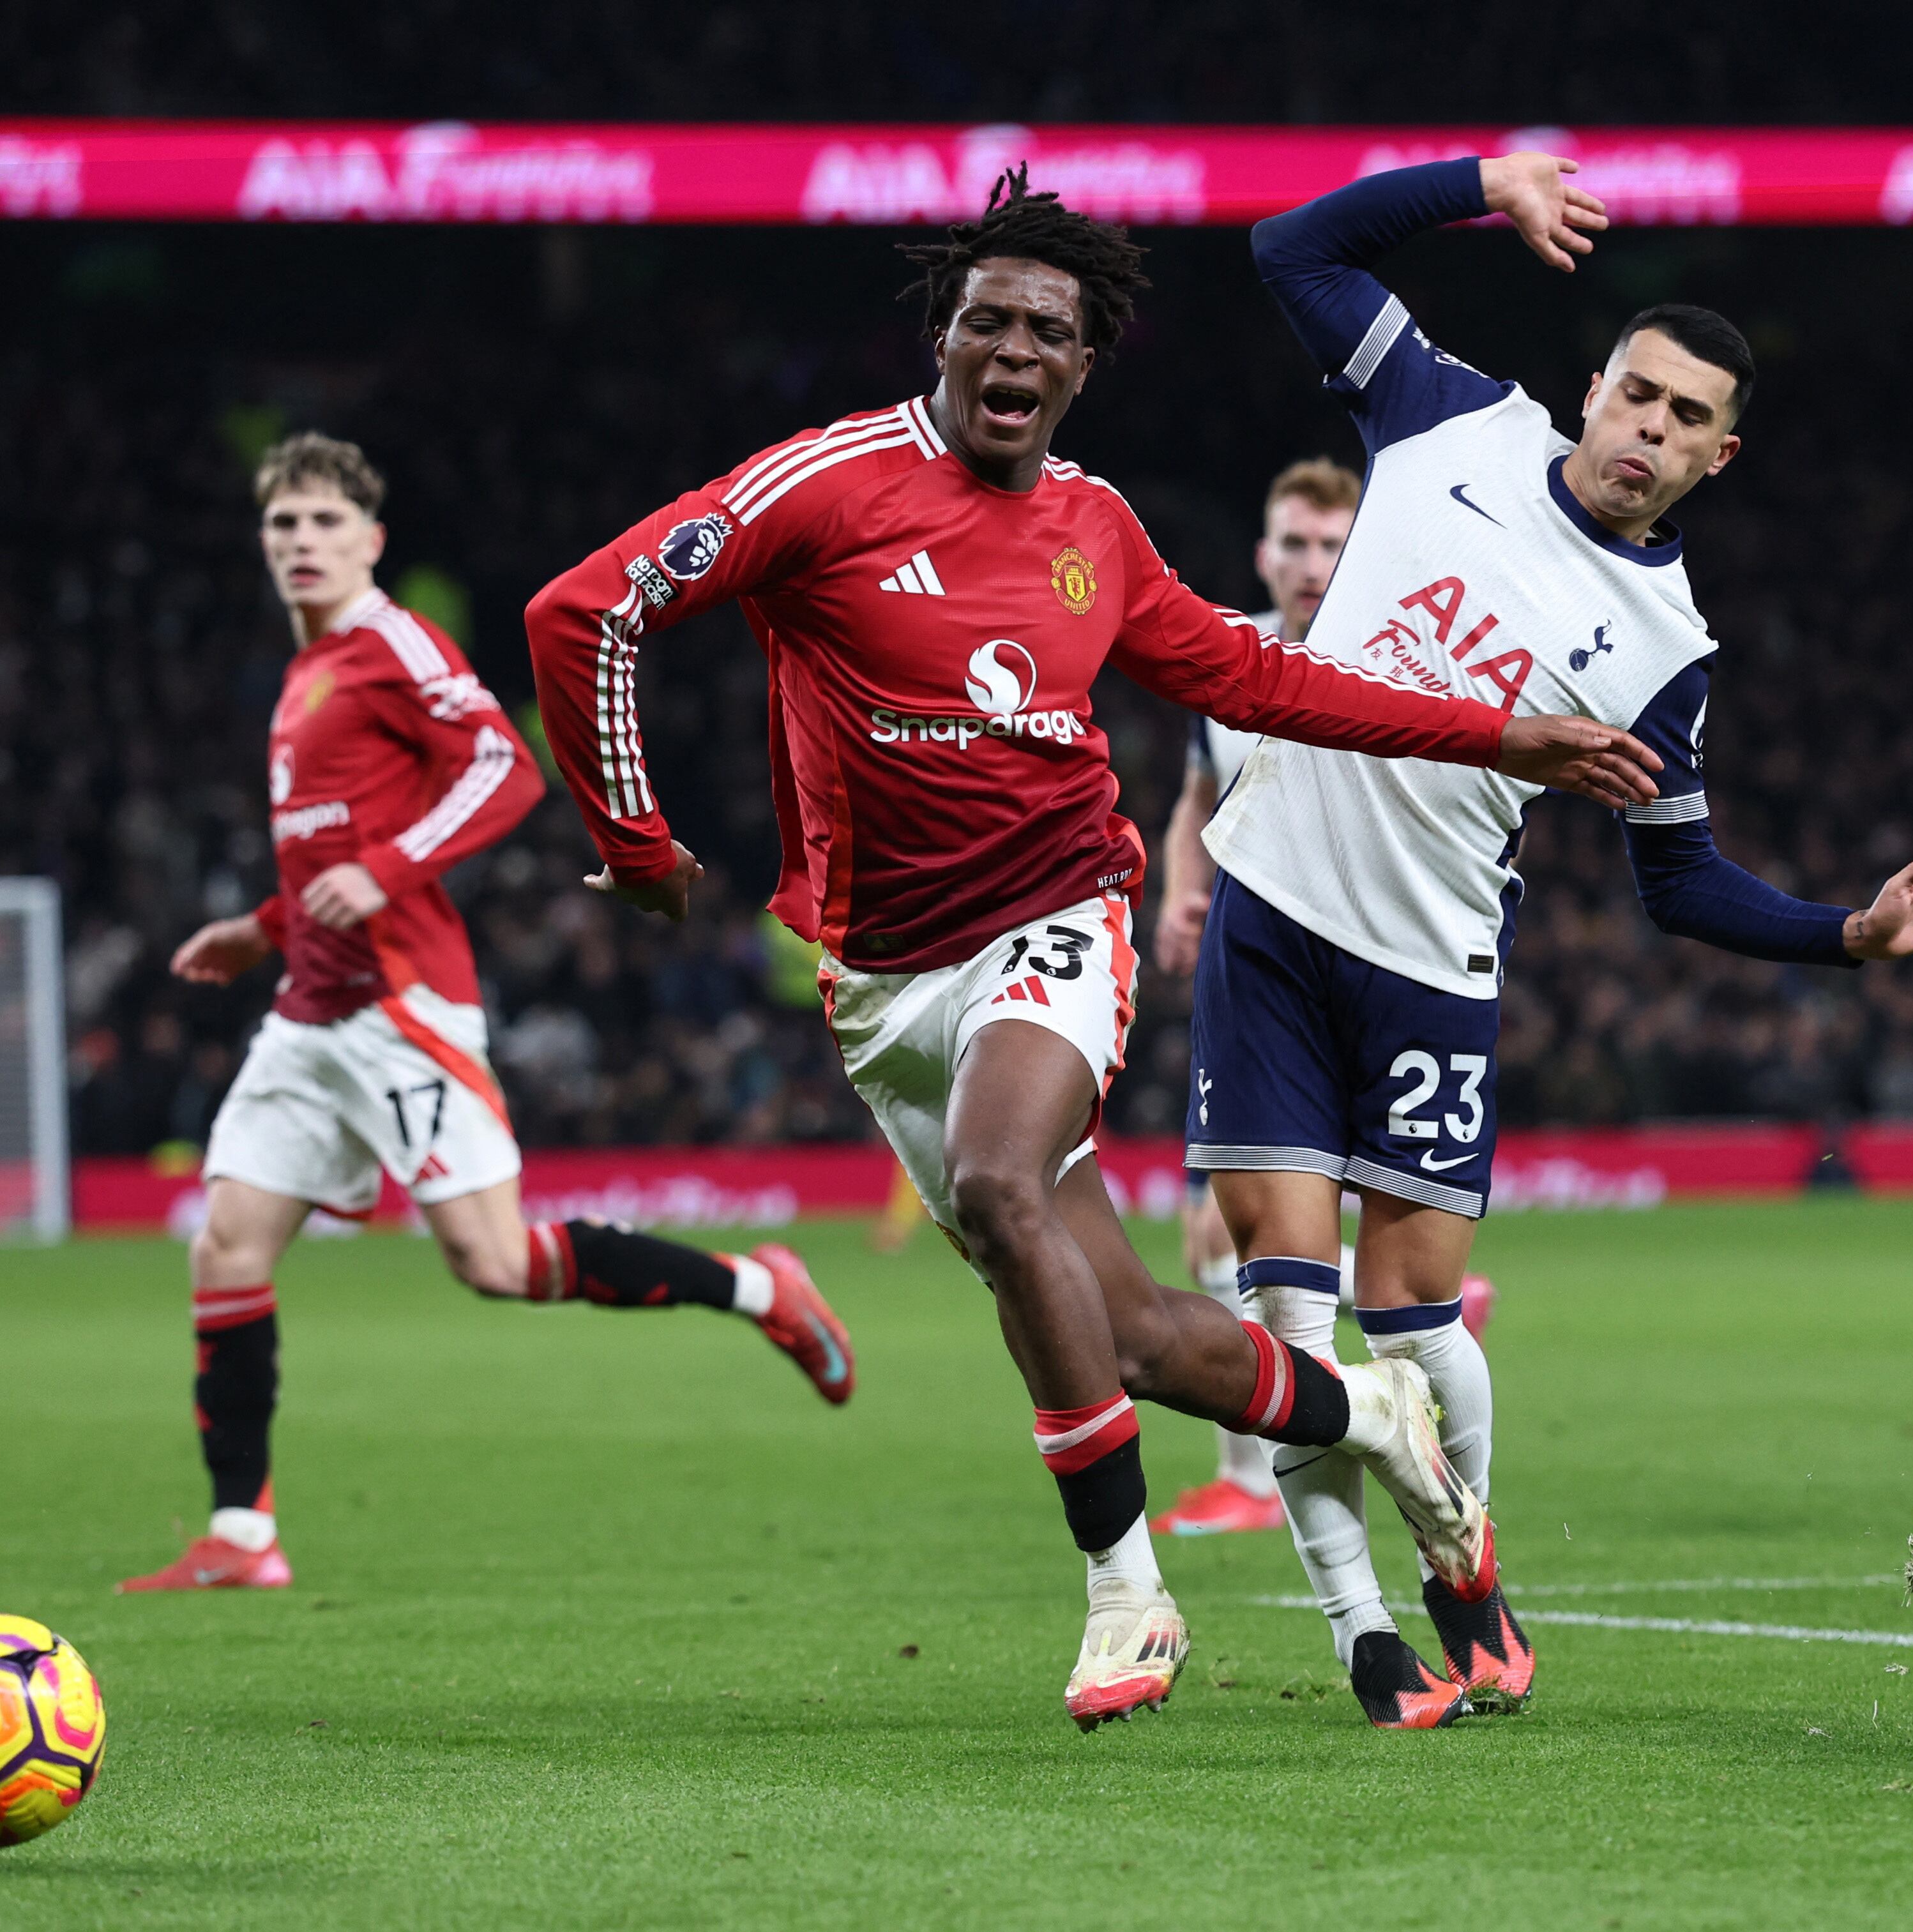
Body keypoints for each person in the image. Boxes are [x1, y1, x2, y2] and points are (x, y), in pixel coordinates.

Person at [525, 170, 1667, 1729]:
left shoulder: (1095, 530)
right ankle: (1378, 1417)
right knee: (1127, 1333)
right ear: (946, 336)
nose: (1011, 350)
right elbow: (582, 612)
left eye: (1045, 332)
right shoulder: (825, 486)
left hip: (1054, 917)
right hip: (880, 980)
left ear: (1080, 364)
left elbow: (1267, 680)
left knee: (1005, 1184)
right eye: (986, 319)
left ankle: (1127, 1593)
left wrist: (1503, 739)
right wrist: (635, 838)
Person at [1194, 154, 1913, 1723]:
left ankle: (1463, 1567)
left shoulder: (1663, 651)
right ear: (1593, 388)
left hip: (1431, 970)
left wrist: (1850, 930)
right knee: (1288, 1317)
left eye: (1685, 418)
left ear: (1721, 455)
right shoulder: (1447, 419)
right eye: (1635, 394)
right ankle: (1364, 1634)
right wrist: (1479, 184)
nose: (1648, 429)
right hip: (1271, 922)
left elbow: (1679, 882)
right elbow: (1287, 244)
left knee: (1413, 1326)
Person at [119, 434, 854, 1595]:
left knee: (497, 1263)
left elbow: (506, 767)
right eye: (282, 526)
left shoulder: (391, 641)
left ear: (371, 540)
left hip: (404, 1006)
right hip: (310, 1010)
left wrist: (398, 866)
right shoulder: (304, 674)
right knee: (227, 1246)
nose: (300, 543)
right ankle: (241, 1535)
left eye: (323, 523)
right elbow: (329, 847)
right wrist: (263, 926)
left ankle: (763, 1287)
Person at [1143, 457, 1495, 1541]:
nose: (1309, 565)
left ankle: (1271, 1466)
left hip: (1379, 981)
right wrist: (1179, 892)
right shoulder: (1234, 659)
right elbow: (1201, 791)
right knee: (1218, 1228)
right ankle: (1253, 1474)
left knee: (1236, 1235)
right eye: (1292, 543)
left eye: (1331, 545)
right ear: (1262, 553)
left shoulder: (1391, 661)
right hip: (1262, 981)